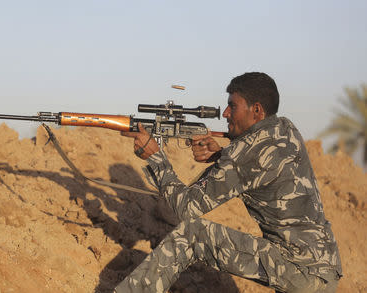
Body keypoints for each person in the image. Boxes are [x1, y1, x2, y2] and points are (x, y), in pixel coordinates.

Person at [117, 72, 342, 293]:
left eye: (232, 106)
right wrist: (221, 156)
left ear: (256, 110)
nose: (225, 113)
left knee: (192, 234)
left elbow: (187, 208)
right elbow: (259, 162)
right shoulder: (285, 128)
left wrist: (156, 158)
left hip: (297, 268)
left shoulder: (242, 156)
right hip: (322, 267)